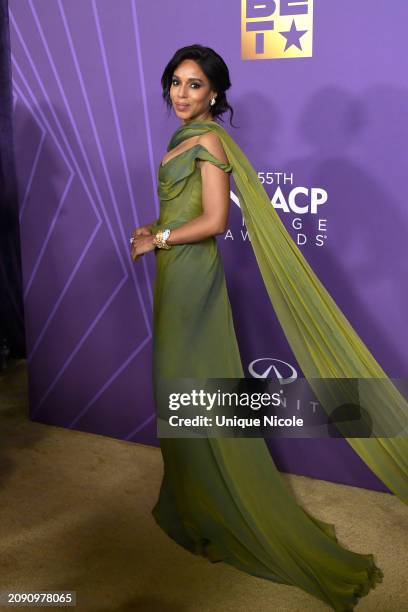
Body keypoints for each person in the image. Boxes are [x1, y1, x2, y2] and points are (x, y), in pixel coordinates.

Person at [130, 44, 407, 609]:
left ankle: (217, 508)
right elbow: (185, 211)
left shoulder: (207, 141)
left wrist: (158, 238)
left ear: (215, 94)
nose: (183, 95)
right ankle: (193, 498)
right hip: (175, 273)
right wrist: (156, 227)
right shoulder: (184, 138)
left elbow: (213, 220)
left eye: (195, 86)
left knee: (186, 387)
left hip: (190, 276)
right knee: (178, 390)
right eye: (177, 84)